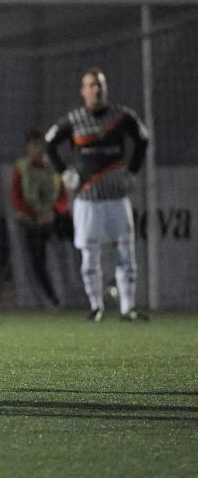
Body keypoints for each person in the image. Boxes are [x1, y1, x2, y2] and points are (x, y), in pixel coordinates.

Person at [44, 68, 149, 322]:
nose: (96, 90)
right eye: (91, 85)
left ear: (106, 89)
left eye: (100, 85)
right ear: (83, 91)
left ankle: (128, 308)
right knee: (90, 255)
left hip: (117, 198)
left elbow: (143, 139)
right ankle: (96, 306)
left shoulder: (122, 116)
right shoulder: (73, 119)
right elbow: (49, 143)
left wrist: (132, 173)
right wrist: (64, 172)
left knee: (126, 252)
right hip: (87, 200)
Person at [10, 129, 63, 307]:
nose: (37, 149)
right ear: (28, 147)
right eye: (33, 145)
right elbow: (16, 198)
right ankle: (52, 298)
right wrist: (36, 215)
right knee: (38, 258)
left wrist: (55, 213)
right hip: (31, 222)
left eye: (39, 145)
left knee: (77, 233)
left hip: (53, 218)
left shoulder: (52, 168)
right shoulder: (21, 168)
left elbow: (63, 195)